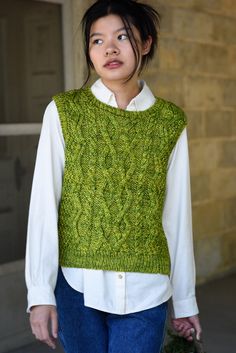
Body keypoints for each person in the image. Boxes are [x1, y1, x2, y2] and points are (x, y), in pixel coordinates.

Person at [25, 1, 202, 352]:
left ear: (146, 43)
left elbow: (177, 216)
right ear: (89, 50)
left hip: (147, 290)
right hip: (77, 287)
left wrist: (185, 300)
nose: (109, 49)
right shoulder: (64, 112)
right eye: (96, 40)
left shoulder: (169, 121)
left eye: (122, 37)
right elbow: (44, 205)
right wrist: (40, 293)